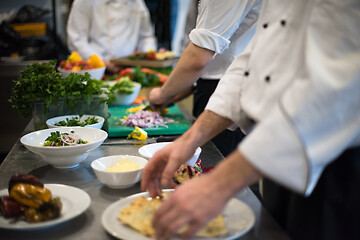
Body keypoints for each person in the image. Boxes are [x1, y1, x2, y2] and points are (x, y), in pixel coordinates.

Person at [141, 0, 360, 239]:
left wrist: (219, 183)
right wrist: (190, 139)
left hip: (335, 158)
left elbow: (344, 81)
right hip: (272, 147)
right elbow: (260, 54)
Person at [148, 0, 263, 157]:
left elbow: (198, 57)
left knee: (215, 166)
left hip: (226, 90)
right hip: (220, 83)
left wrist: (162, 94)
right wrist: (188, 82)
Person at [67, 0, 157, 73]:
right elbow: (77, 40)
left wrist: (147, 55)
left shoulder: (137, 2)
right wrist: (102, 62)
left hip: (132, 70)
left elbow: (146, 37)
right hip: (98, 71)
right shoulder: (85, 2)